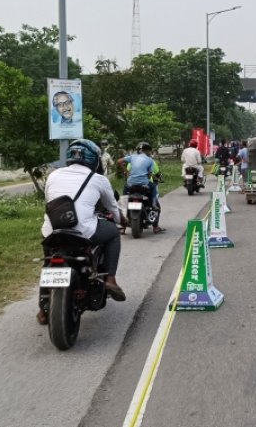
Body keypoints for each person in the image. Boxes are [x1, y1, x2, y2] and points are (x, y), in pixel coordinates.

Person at [38, 139, 127, 325]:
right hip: (83, 231)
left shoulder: (53, 176)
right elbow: (112, 207)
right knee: (112, 234)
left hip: (52, 230)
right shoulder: (99, 179)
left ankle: (43, 310)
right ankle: (110, 279)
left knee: (49, 261)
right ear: (94, 158)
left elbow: (49, 201)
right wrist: (121, 220)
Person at [118, 141, 165, 234]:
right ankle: (155, 225)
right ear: (147, 151)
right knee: (154, 189)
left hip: (131, 184)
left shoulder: (132, 158)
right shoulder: (150, 160)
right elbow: (150, 175)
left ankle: (122, 227)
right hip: (144, 185)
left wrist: (127, 173)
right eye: (150, 151)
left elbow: (120, 162)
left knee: (124, 199)